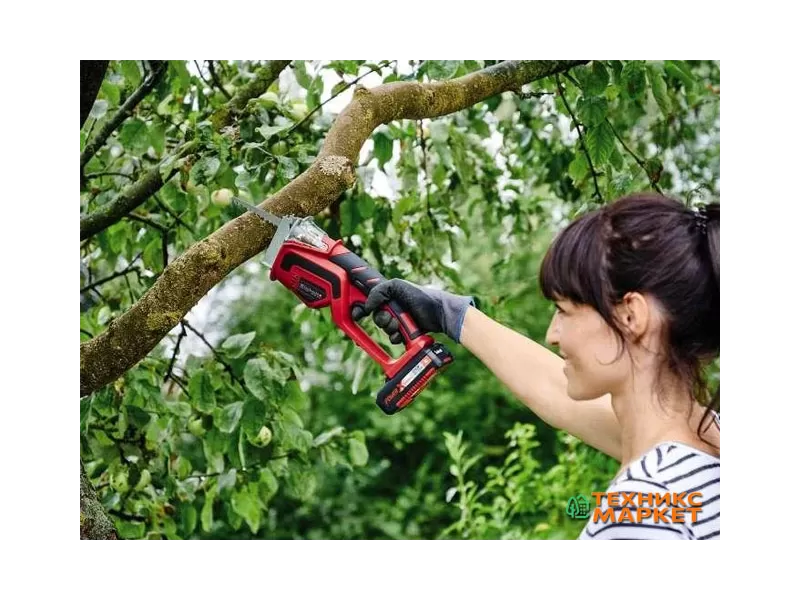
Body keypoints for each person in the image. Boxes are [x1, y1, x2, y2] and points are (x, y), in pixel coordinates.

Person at [354, 193, 720, 540]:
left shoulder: (640, 514)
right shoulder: (708, 448)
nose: (552, 334)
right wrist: (450, 315)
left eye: (564, 311)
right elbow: (557, 391)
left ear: (630, 315)